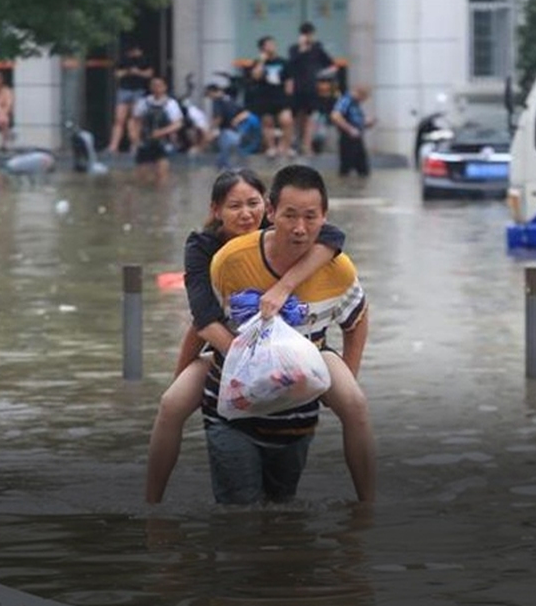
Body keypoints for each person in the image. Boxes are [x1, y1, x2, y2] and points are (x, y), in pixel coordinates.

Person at [144, 168, 375, 505]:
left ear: (265, 208)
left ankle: (368, 506)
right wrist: (245, 359)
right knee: (171, 404)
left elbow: (334, 239)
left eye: (252, 203)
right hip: (230, 346)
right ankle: (152, 505)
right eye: (234, 206)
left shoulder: (298, 237)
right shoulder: (211, 253)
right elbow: (202, 321)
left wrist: (284, 287)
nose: (245, 214)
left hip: (306, 347)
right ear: (216, 211)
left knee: (355, 404)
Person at [285, 22, 335, 156]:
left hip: (312, 87)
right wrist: (302, 49)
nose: (308, 37)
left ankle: (307, 145)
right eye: (305, 34)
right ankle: (296, 142)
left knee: (311, 116)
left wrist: (322, 75)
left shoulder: (318, 49)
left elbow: (331, 65)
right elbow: (290, 65)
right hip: (297, 88)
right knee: (297, 117)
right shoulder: (294, 49)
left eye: (310, 34)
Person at [128, 76, 183, 185]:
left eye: (159, 85)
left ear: (165, 87)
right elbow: (135, 121)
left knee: (162, 175)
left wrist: (162, 132)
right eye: (154, 85)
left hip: (163, 143)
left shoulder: (171, 104)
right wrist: (134, 138)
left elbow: (177, 124)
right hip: (145, 142)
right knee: (142, 177)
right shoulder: (143, 102)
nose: (156, 88)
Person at [247, 36, 294, 158]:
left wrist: (289, 94)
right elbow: (256, 76)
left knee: (286, 121)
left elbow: (289, 79)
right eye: (268, 44)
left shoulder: (283, 62)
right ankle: (271, 148)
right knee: (268, 123)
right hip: (265, 96)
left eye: (273, 44)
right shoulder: (258, 62)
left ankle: (285, 147)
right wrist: (261, 61)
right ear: (262, 48)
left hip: (280, 96)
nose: (272, 46)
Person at [106, 44, 154, 155]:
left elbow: (149, 74)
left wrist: (138, 72)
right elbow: (117, 74)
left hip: (138, 90)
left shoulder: (144, 60)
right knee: (119, 119)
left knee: (135, 119)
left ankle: (135, 144)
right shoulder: (123, 60)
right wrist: (128, 72)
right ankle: (114, 145)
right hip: (125, 89)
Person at [203, 82, 254, 169]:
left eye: (208, 95)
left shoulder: (217, 101)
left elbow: (218, 118)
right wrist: (236, 121)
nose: (209, 98)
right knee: (231, 158)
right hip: (237, 133)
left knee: (225, 161)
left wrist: (210, 130)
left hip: (226, 133)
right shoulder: (230, 99)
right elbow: (246, 113)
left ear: (212, 92)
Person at [330, 84, 375, 177]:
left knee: (363, 170)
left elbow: (356, 119)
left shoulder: (355, 104)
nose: (364, 101)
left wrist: (366, 122)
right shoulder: (346, 100)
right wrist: (350, 129)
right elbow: (335, 116)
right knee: (346, 169)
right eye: (364, 97)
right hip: (348, 139)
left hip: (357, 139)